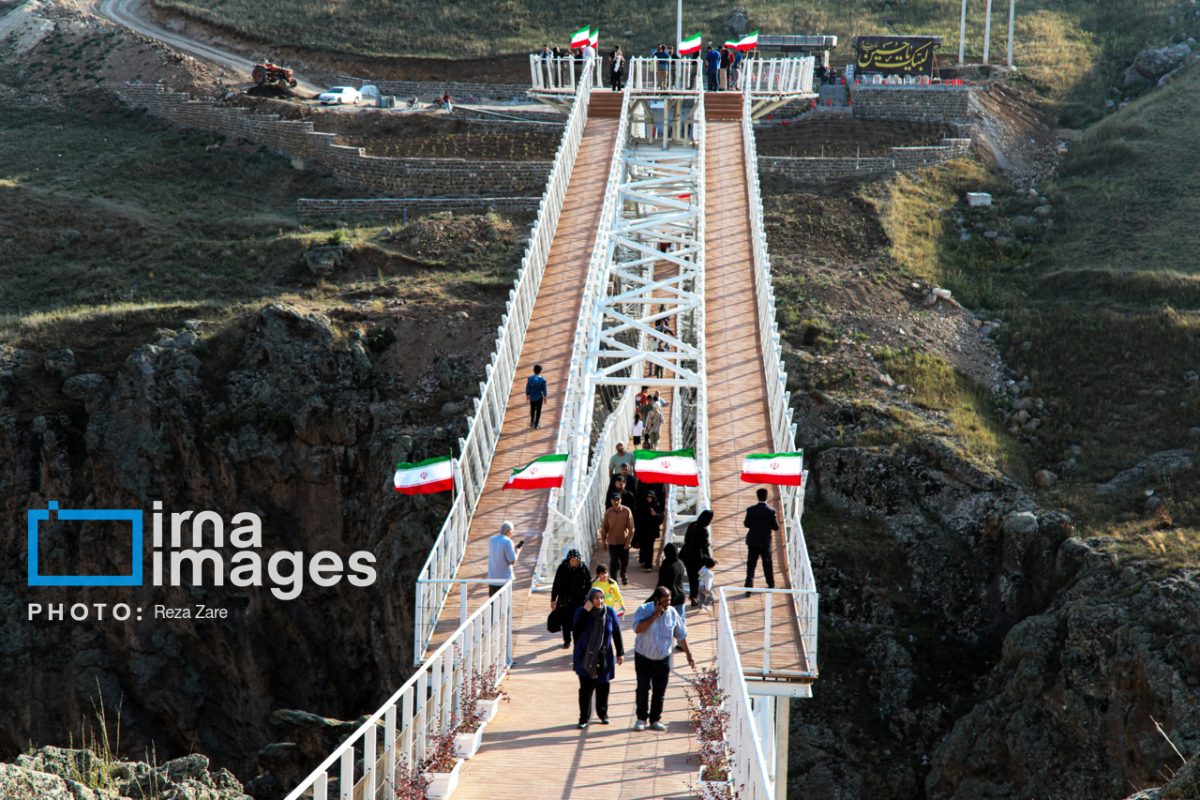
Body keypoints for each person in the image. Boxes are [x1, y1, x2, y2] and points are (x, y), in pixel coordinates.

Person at [631, 586, 695, 731]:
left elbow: (681, 635)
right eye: (665, 600)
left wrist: (689, 654)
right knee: (643, 688)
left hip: (663, 658)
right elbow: (637, 629)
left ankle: (655, 719)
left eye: (669, 600)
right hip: (643, 657)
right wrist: (654, 615)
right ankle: (641, 719)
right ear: (657, 600)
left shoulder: (672, 612)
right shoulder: (643, 610)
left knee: (659, 690)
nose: (667, 603)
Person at [573, 587, 624, 728]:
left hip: (604, 656)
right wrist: (585, 611)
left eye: (601, 597)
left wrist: (620, 652)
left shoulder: (610, 612)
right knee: (585, 688)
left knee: (603, 686)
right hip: (585, 656)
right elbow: (575, 630)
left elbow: (616, 633)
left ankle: (603, 714)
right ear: (590, 599)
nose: (599, 601)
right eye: (595, 598)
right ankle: (584, 718)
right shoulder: (581, 612)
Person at [552, 549, 592, 648]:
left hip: (578, 599)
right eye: (572, 560)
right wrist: (553, 599)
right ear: (569, 559)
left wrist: (586, 595)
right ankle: (567, 640)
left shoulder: (583, 568)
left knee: (577, 620)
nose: (574, 562)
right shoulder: (562, 568)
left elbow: (589, 583)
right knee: (565, 621)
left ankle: (577, 641)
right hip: (564, 599)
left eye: (576, 560)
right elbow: (556, 584)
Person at [743, 487, 779, 596]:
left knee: (751, 565)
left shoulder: (751, 510)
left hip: (753, 541)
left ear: (757, 496)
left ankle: (748, 588)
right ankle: (771, 584)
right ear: (766, 497)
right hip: (765, 542)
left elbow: (746, 524)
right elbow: (776, 527)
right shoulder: (771, 512)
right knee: (767, 564)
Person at [678, 509, 713, 606]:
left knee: (691, 577)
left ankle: (693, 597)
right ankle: (696, 597)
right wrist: (710, 561)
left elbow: (686, 539)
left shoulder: (692, 525)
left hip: (686, 554)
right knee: (698, 578)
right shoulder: (703, 531)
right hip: (696, 556)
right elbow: (704, 548)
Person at [601, 491, 634, 585]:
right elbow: (604, 528)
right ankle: (614, 579)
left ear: (621, 500)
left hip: (623, 541)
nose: (616, 502)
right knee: (614, 561)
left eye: (618, 499)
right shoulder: (608, 513)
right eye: (614, 500)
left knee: (624, 560)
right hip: (612, 541)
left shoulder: (627, 511)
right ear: (611, 501)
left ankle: (623, 574)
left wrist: (628, 541)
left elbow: (631, 528)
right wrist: (604, 542)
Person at [486, 520, 522, 597]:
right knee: (505, 606)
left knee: (493, 605)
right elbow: (512, 561)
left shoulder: (492, 540)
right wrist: (517, 551)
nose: (512, 534)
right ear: (508, 531)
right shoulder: (508, 542)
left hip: (492, 579)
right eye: (512, 532)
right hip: (504, 580)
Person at [634, 489, 662, 570]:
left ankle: (648, 565)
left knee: (650, 547)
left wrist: (655, 514)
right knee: (643, 546)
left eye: (651, 497)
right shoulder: (642, 505)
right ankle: (642, 560)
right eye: (648, 496)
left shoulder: (656, 506)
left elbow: (661, 517)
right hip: (642, 529)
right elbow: (637, 516)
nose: (649, 498)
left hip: (651, 531)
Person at [657, 542, 686, 620]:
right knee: (680, 622)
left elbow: (661, 582)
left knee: (669, 621)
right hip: (681, 595)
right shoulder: (680, 563)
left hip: (669, 598)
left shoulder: (666, 564)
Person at [525, 363, 548, 429]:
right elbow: (544, 390)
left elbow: (528, 388)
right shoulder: (543, 380)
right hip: (539, 398)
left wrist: (527, 395)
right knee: (538, 410)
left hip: (532, 397)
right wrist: (545, 397)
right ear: (540, 371)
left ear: (533, 370)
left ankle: (532, 422)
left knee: (532, 409)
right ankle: (536, 423)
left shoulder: (530, 379)